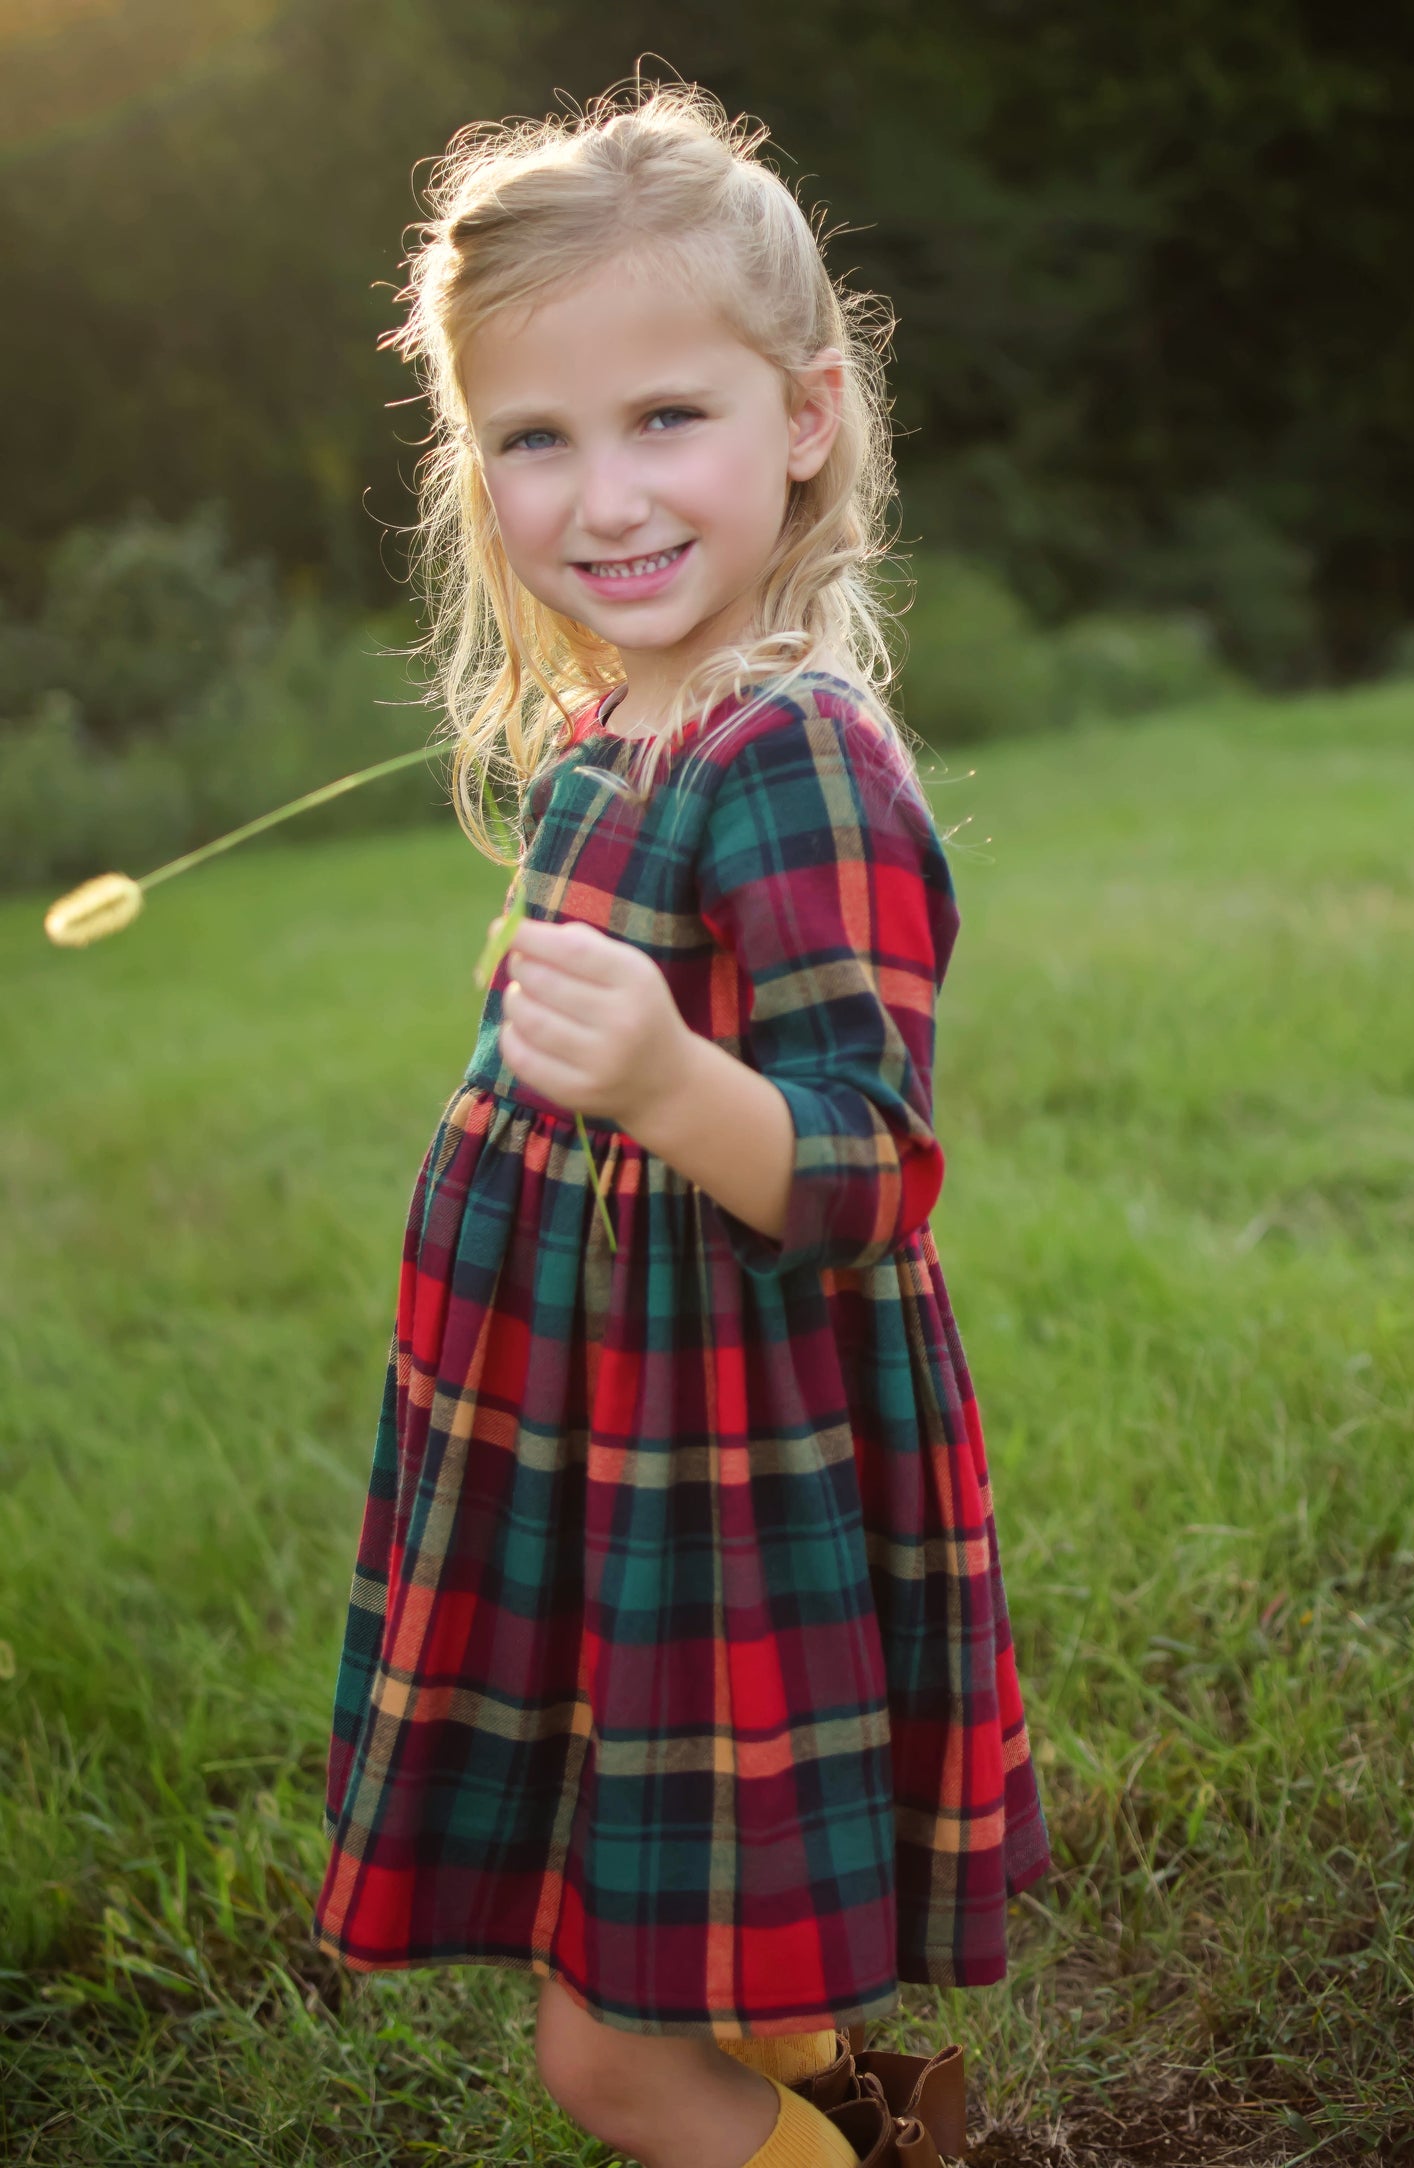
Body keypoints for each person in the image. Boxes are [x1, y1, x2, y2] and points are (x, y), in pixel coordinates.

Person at [310, 77, 1049, 2168]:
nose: (600, 494)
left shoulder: (793, 753)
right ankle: (866, 2116)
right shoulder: (611, 723)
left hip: (719, 1474)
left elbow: (865, 1170)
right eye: (532, 436)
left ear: (806, 414)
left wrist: (658, 1074)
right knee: (750, 1973)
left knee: (611, 2052)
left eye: (666, 419)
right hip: (603, 1471)